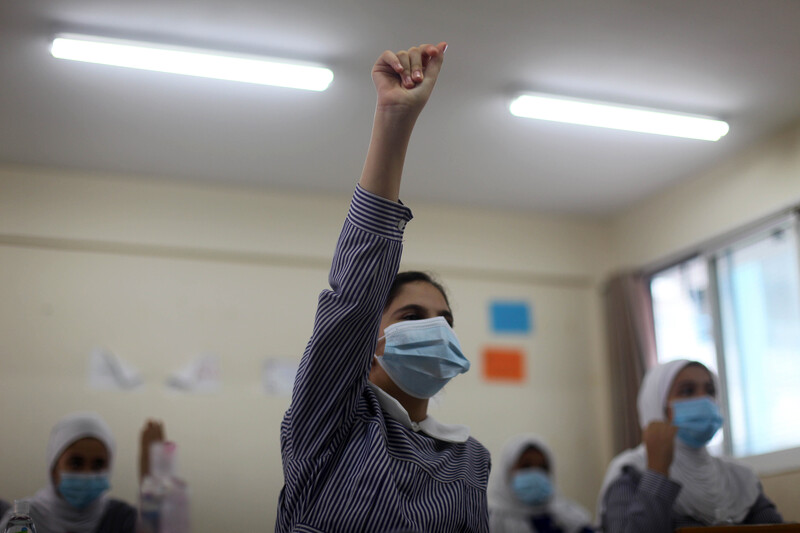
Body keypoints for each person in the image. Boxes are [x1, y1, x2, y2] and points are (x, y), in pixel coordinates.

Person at [276, 42, 491, 532]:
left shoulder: (470, 460)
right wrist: (394, 121)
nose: (435, 328)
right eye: (411, 317)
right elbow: (355, 295)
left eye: (445, 320)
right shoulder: (331, 420)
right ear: (369, 340)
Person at [597, 359, 783, 532]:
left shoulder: (738, 477)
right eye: (687, 391)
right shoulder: (631, 471)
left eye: (710, 391)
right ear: (657, 406)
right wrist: (657, 472)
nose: (704, 400)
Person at [0, 411, 137, 533]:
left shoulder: (122, 519)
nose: (87, 474)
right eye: (76, 463)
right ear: (54, 468)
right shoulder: (24, 519)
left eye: (98, 465)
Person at [489, 434, 595, 533]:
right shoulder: (490, 522)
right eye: (526, 466)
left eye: (543, 467)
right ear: (507, 472)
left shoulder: (569, 517)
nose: (535, 473)